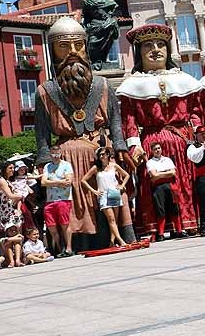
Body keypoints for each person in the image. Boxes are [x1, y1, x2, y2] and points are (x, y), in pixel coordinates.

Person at [34, 17, 133, 249]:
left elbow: (115, 121)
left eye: (78, 45)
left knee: (110, 193)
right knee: (77, 200)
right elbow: (41, 133)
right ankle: (83, 243)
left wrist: (120, 146)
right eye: (64, 46)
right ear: (53, 50)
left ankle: (116, 236)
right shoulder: (44, 92)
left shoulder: (103, 85)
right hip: (68, 158)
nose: (73, 52)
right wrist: (44, 160)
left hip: (101, 151)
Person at [117, 24, 205, 238]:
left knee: (184, 184)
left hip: (182, 139)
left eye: (160, 44)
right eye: (148, 45)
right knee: (154, 187)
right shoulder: (133, 85)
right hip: (152, 141)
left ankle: (187, 223)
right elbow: (128, 119)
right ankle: (157, 228)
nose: (155, 49)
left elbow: (195, 111)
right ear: (139, 52)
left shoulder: (184, 81)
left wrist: (198, 136)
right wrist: (134, 144)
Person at [80, 148, 129, 247]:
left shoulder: (113, 166)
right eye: (100, 155)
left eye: (103, 154)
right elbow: (83, 180)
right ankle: (120, 241)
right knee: (111, 219)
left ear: (108, 155)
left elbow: (126, 175)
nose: (102, 156)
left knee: (114, 219)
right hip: (104, 195)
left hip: (114, 193)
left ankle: (112, 241)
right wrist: (94, 191)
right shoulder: (96, 168)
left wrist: (121, 185)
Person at [41, 145, 74, 257]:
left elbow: (69, 181)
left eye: (58, 154)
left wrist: (51, 182)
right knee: (51, 226)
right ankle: (60, 248)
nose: (56, 156)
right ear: (50, 154)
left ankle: (69, 248)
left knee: (65, 224)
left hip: (63, 198)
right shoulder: (47, 166)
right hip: (50, 200)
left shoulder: (66, 165)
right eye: (53, 154)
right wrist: (59, 183)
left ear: (60, 153)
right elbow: (43, 182)